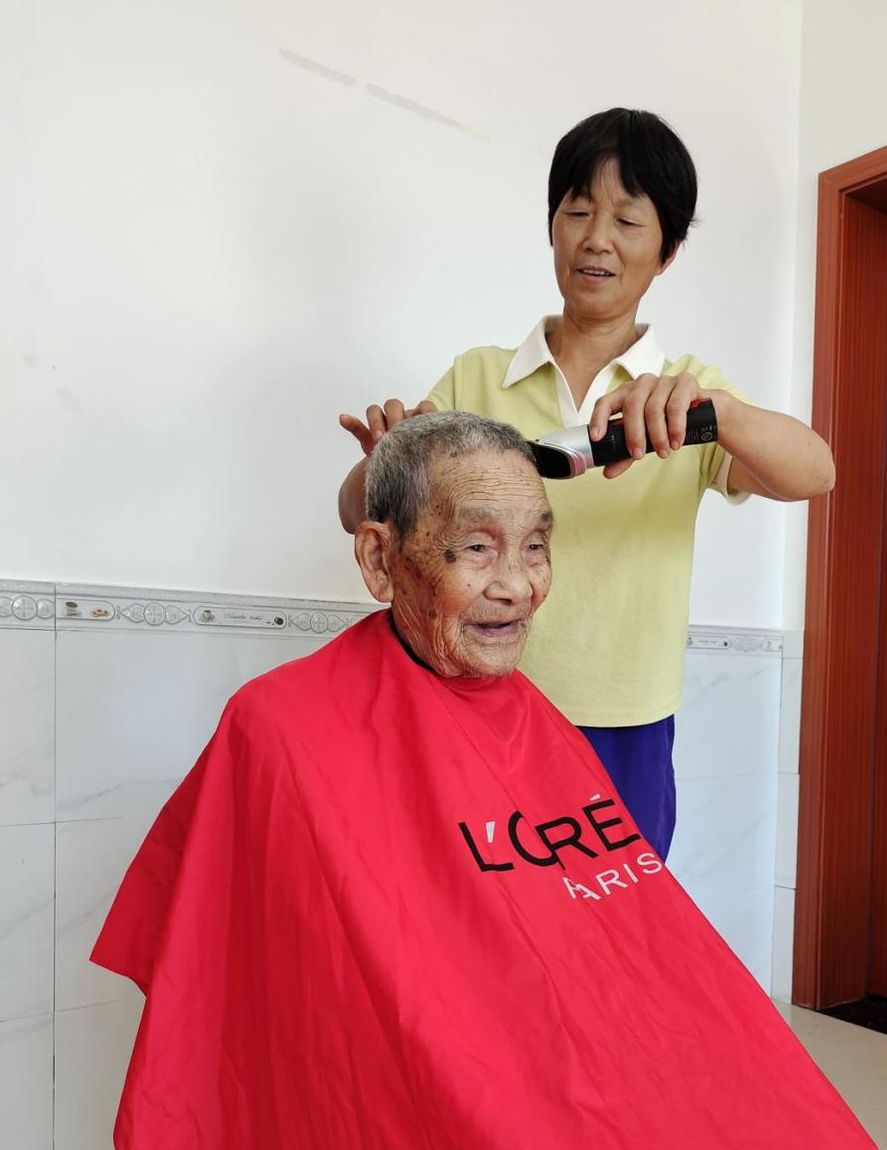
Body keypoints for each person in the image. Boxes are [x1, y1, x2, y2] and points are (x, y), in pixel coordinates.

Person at [94, 413, 887, 1150]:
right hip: (440, 1110)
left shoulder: (537, 727)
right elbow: (269, 999)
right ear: (381, 560)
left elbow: (624, 965)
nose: (520, 585)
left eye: (537, 546)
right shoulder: (279, 730)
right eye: (477, 549)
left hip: (595, 1092)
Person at [337, 108, 834, 860]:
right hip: (475, 700)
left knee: (613, 919)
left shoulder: (687, 397)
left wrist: (719, 412)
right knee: (475, 914)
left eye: (627, 220)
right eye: (577, 211)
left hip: (626, 720)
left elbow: (816, 472)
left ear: (666, 252)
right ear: (552, 228)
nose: (597, 238)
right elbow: (357, 514)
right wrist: (380, 463)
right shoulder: (477, 376)